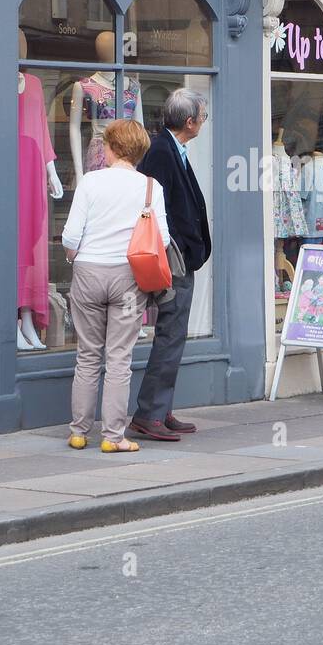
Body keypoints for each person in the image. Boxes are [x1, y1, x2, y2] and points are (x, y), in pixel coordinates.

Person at [60, 119, 169, 453]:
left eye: (105, 145)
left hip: (88, 273)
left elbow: (70, 236)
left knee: (87, 356)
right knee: (119, 357)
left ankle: (79, 432)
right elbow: (163, 239)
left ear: (111, 147)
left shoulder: (91, 182)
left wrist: (74, 257)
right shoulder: (151, 188)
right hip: (128, 277)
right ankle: (113, 436)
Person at [129, 88, 212, 442]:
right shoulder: (162, 151)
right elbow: (158, 212)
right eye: (202, 117)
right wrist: (176, 247)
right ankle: (149, 415)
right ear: (189, 121)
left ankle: (160, 409)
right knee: (170, 334)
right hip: (170, 259)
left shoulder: (172, 147)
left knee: (174, 335)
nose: (204, 123)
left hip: (178, 256)